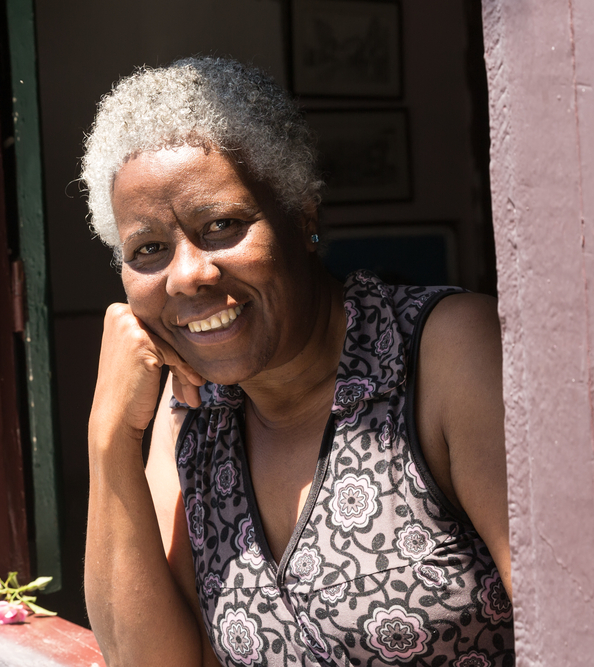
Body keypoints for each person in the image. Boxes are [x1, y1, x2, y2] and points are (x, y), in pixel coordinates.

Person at [81, 57, 514, 666]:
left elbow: (571, 614)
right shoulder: (192, 414)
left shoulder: (443, 352)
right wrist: (110, 437)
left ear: (303, 219)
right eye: (149, 249)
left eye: (221, 226)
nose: (188, 275)